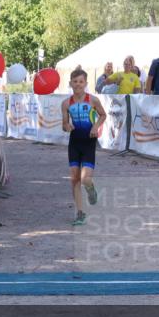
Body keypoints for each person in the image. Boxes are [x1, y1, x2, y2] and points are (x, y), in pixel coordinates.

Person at [62, 69, 106, 227]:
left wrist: (95, 127)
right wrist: (67, 126)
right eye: (75, 82)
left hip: (88, 143)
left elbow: (103, 115)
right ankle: (80, 213)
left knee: (85, 178)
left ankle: (91, 188)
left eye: (81, 82)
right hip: (74, 143)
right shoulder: (66, 103)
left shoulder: (92, 100)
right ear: (70, 84)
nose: (78, 85)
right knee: (74, 179)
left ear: (86, 84)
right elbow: (64, 123)